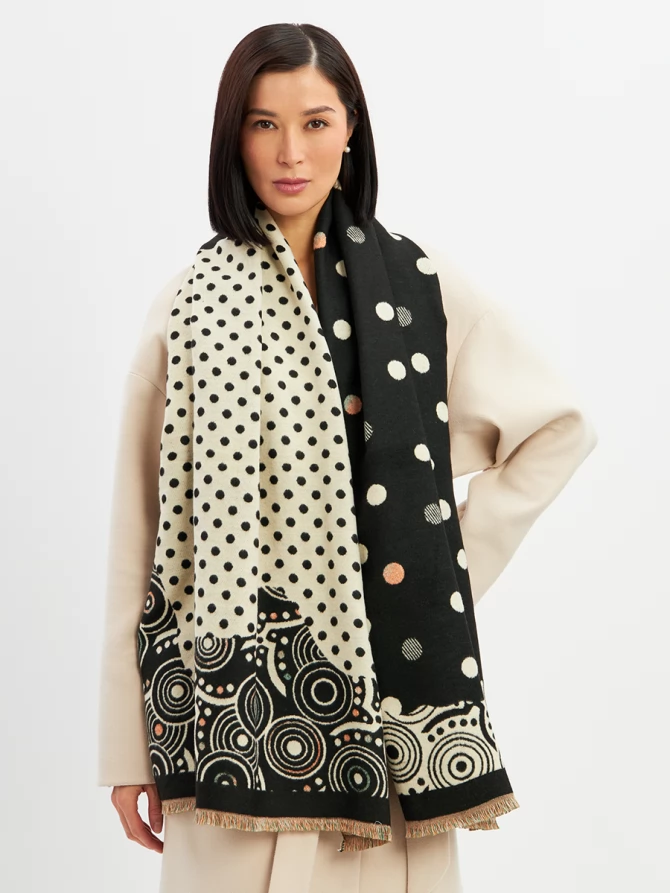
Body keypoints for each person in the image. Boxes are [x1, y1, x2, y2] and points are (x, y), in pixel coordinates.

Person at [97, 22, 598, 893]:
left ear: (351, 128)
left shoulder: (419, 286)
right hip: (225, 735)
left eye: (316, 122)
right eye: (263, 124)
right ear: (232, 137)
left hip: (389, 736)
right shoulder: (187, 307)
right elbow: (138, 531)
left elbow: (558, 427)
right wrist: (122, 747)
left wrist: (434, 571)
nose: (291, 152)